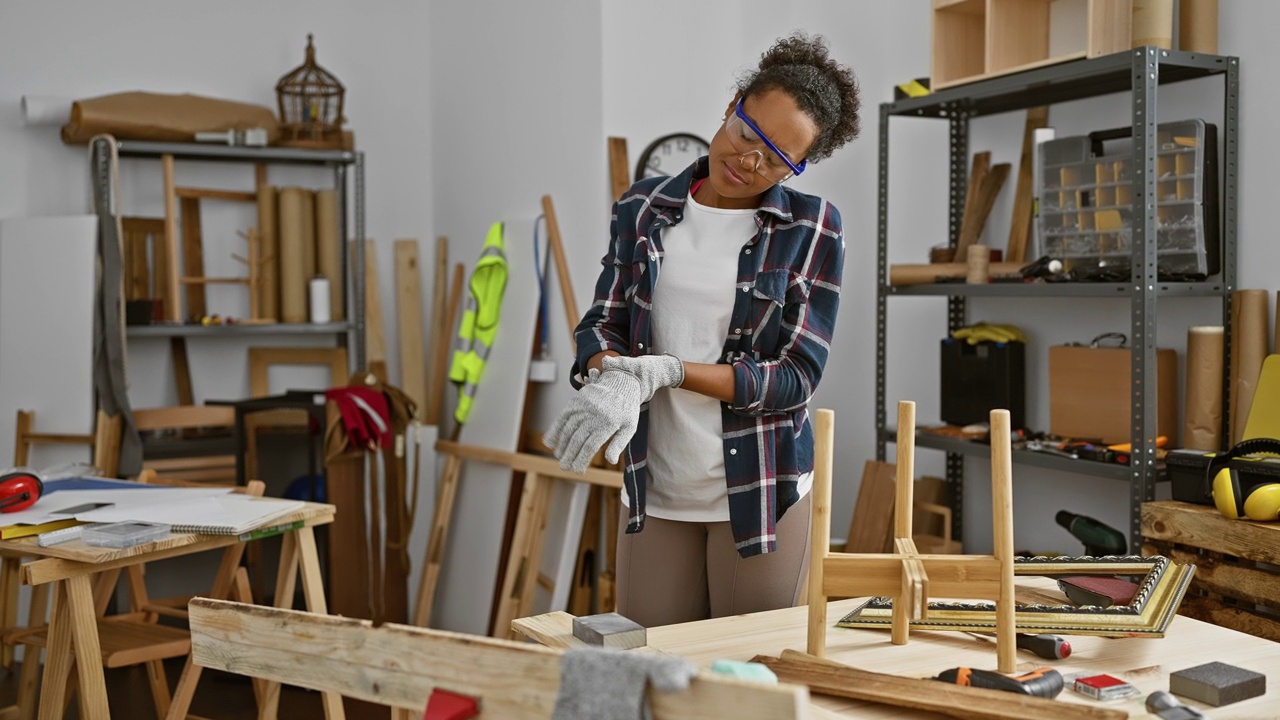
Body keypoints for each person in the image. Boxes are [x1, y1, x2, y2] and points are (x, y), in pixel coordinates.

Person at [545, 31, 861, 628]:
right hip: (657, 483)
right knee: (649, 668)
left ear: (798, 167)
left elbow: (797, 376)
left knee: (745, 675)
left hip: (763, 487)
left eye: (776, 159)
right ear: (733, 104)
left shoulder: (813, 228)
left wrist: (667, 371)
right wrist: (610, 377)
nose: (749, 162)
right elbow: (602, 324)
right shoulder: (641, 208)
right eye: (748, 134)